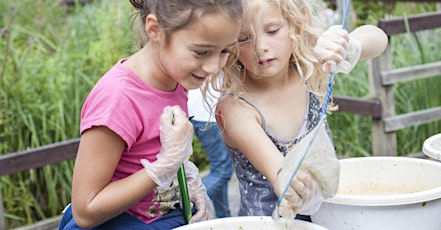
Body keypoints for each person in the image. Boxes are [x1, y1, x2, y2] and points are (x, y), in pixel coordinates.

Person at [58, 0, 242, 229]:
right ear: (154, 30)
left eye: (225, 50)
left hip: (160, 216)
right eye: (201, 52)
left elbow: (154, 150)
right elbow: (86, 211)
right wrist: (163, 166)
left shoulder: (176, 80)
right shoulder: (118, 99)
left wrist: (190, 180)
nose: (214, 67)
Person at [210, 0, 388, 221]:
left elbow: (379, 37)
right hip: (269, 224)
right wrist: (303, 187)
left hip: (328, 217)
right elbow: (284, 179)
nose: (260, 47)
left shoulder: (309, 68)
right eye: (244, 39)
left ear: (293, 25)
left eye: (272, 30)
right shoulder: (235, 107)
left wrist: (349, 45)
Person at [188, 83, 234, 218]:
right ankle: (190, 205)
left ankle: (224, 218)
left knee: (218, 168)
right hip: (210, 115)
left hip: (199, 112)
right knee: (222, 172)